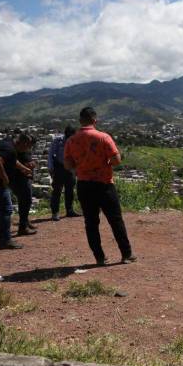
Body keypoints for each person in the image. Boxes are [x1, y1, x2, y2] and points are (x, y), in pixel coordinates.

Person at [64, 107, 136, 265]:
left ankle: (100, 258)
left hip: (84, 185)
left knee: (91, 222)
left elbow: (68, 165)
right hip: (104, 184)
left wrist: (82, 166)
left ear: (80, 121)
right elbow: (116, 160)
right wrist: (104, 164)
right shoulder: (103, 137)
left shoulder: (71, 141)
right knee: (115, 220)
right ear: (95, 120)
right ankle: (126, 254)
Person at [0, 132, 33, 249]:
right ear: (22, 143)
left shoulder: (8, 144)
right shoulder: (10, 149)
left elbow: (12, 161)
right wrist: (5, 178)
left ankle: (1, 237)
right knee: (6, 209)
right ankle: (6, 239)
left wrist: (24, 169)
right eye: (27, 146)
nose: (27, 149)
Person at [48, 126, 80, 221]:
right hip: (59, 167)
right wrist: (51, 168)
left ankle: (69, 210)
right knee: (57, 190)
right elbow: (50, 154)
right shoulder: (58, 140)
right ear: (66, 134)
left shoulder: (75, 141)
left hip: (70, 168)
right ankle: (55, 213)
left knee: (70, 189)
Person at [10, 132, 37, 235]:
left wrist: (31, 164)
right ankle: (23, 226)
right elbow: (16, 163)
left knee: (26, 201)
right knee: (25, 201)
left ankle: (25, 222)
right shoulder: (13, 150)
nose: (30, 147)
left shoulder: (24, 150)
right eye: (29, 145)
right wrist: (25, 167)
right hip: (18, 178)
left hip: (25, 177)